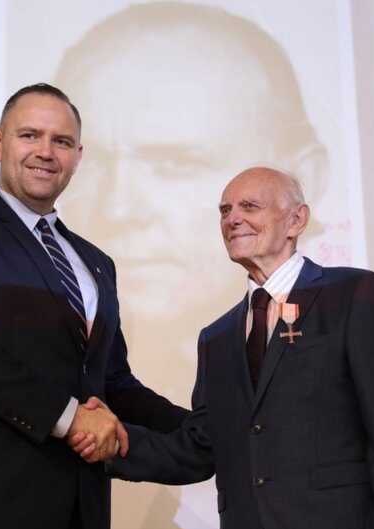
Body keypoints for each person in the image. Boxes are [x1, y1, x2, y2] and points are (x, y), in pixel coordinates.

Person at [0, 83, 188, 529]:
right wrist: (71, 418)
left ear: (78, 157)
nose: (45, 152)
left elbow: (110, 382)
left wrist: (207, 429)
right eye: (29, 135)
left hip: (79, 510)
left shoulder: (97, 263)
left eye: (61, 141)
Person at [73, 167, 374, 529]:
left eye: (249, 206)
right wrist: (114, 444)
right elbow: (199, 450)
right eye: (225, 210)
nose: (233, 219)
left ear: (296, 219)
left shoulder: (354, 295)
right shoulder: (217, 338)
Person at [53, 1, 337, 407]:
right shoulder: (217, 339)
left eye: (174, 163)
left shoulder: (350, 304)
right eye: (95, 165)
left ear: (304, 182)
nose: (118, 209)